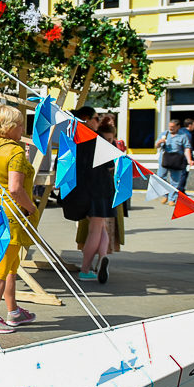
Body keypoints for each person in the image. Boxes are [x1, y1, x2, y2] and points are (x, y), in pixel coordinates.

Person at [0, 104, 39, 333]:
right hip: (11, 215)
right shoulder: (15, 151)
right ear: (10, 127)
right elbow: (15, 189)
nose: (23, 128)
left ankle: (13, 311)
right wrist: (31, 208)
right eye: (20, 124)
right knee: (1, 270)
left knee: (11, 265)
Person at [76, 120, 121, 282]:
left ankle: (99, 260)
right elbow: (110, 166)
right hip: (102, 189)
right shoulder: (99, 142)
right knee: (97, 229)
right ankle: (87, 268)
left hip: (86, 189)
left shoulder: (82, 140)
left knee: (99, 228)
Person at [154, 118, 193, 204]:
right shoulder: (164, 134)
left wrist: (189, 160)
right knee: (160, 177)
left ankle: (172, 198)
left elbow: (187, 148)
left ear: (178, 127)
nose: (171, 128)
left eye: (173, 127)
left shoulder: (183, 136)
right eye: (170, 126)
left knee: (175, 180)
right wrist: (159, 142)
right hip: (164, 158)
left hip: (177, 159)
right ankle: (165, 195)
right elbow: (156, 145)